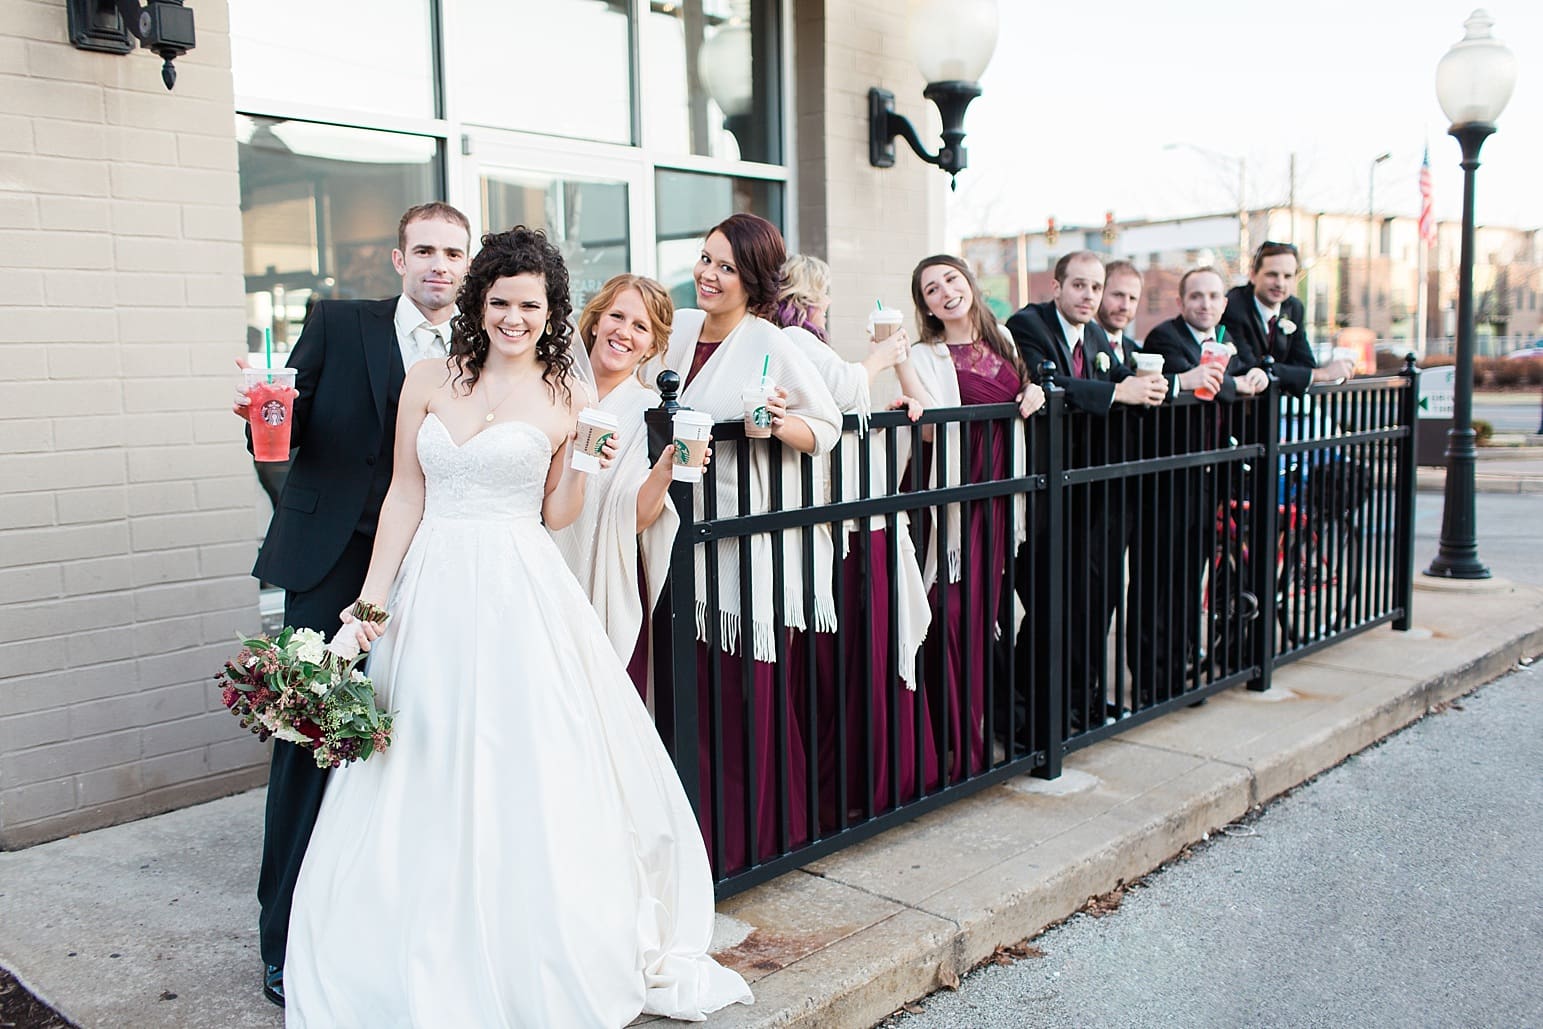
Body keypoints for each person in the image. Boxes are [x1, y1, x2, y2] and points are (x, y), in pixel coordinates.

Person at [283, 227, 753, 1027]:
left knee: (517, 757)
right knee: (419, 751)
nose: (513, 316)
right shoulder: (427, 379)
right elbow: (404, 495)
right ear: (478, 303)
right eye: (498, 301)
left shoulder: (568, 393)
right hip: (431, 581)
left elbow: (556, 513)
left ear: (550, 309)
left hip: (517, 584)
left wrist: (581, 466)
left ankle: (520, 940)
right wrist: (369, 604)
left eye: (529, 304)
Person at [231, 201, 470, 1008]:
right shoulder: (338, 323)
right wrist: (262, 413)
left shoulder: (479, 346)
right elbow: (284, 428)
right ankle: (281, 939)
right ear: (399, 260)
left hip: (426, 568)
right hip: (330, 563)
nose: (440, 265)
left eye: (453, 252)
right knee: (307, 744)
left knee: (410, 741)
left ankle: (383, 929)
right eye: (426, 250)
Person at [662, 213, 843, 874]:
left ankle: (764, 839)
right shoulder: (678, 329)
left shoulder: (771, 338)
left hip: (747, 550)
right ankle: (700, 840)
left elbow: (826, 425)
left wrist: (774, 424)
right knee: (694, 701)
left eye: (726, 268)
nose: (708, 275)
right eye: (705, 259)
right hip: (681, 543)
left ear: (753, 279)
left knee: (748, 701)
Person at [772, 254, 938, 821]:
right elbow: (842, 391)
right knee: (848, 658)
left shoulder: (791, 344)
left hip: (841, 516)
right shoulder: (795, 336)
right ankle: (858, 786)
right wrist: (882, 357)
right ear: (812, 296)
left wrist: (891, 392)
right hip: (838, 526)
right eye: (825, 295)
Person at [894, 255, 1044, 780]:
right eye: (931, 289)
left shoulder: (1002, 336)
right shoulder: (923, 353)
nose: (945, 292)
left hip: (999, 499)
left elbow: (1022, 393)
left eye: (950, 279)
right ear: (926, 306)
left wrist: (1034, 391)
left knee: (981, 619)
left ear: (968, 283)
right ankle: (947, 743)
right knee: (948, 614)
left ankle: (971, 735)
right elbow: (929, 431)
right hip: (951, 505)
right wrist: (896, 362)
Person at [1005, 252, 1168, 732]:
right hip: (1041, 486)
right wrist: (1119, 393)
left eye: (1096, 288)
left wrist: (1145, 386)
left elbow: (1116, 380)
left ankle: (1077, 701)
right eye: (1079, 286)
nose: (1089, 297)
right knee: (1048, 601)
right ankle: (1028, 709)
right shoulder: (1028, 325)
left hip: (1088, 490)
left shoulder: (1096, 336)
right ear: (1056, 287)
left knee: (1088, 601)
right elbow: (1048, 382)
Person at [1135, 267, 1271, 706]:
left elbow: (1254, 371)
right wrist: (1237, 384)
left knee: (1191, 579)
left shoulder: (1228, 338)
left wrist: (1257, 379)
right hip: (1167, 479)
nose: (1205, 304)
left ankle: (1180, 675)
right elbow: (1201, 386)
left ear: (1224, 303)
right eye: (1196, 296)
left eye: (1213, 296)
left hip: (1208, 479)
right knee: (1159, 583)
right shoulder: (1165, 339)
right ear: (1181, 302)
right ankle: (1153, 682)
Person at [550, 274, 687, 702]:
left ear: (652, 345)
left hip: (603, 576)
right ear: (594, 321)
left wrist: (664, 470)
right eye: (617, 316)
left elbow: (638, 519)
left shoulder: (648, 410)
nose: (624, 332)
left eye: (641, 327)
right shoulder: (550, 388)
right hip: (539, 568)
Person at [1221, 240, 1355, 396]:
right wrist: (1323, 374)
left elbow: (1305, 363)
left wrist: (1297, 373)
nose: (1280, 283)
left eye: (1287, 276)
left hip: (1277, 408)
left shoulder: (1293, 307)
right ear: (1253, 275)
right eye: (1272, 274)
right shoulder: (1234, 305)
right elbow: (1249, 368)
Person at [1097, 259, 1145, 368]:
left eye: (1132, 298)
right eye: (1118, 295)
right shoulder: (1079, 346)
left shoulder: (1138, 351)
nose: (1125, 306)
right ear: (1099, 292)